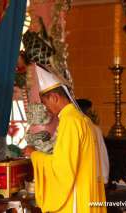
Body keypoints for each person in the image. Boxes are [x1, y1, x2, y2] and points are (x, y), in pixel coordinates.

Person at [23, 64, 106, 213]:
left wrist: (34, 154)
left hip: (76, 198)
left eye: (45, 102)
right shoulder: (81, 118)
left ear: (54, 97)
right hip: (85, 192)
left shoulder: (70, 121)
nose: (45, 108)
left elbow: (63, 169)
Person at [76, 99, 110, 185]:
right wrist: (104, 176)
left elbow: (101, 152)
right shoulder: (95, 128)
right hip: (94, 176)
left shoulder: (90, 128)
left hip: (85, 176)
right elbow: (102, 153)